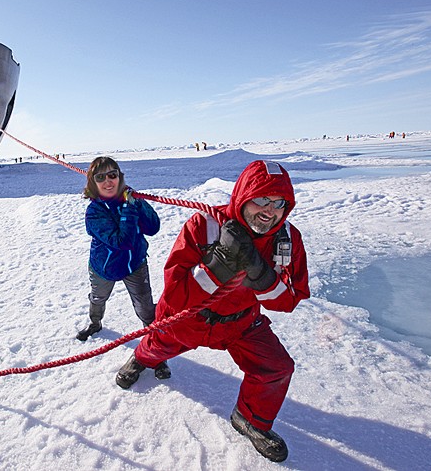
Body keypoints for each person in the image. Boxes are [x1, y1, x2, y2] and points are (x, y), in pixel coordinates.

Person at [115, 160, 310, 463]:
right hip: (189, 320)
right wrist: (217, 266)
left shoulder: (286, 240)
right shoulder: (204, 226)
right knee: (157, 345)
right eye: (260, 198)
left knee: (276, 367)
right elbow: (177, 296)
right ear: (243, 195)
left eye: (278, 203)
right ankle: (140, 360)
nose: (269, 210)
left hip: (241, 322)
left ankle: (251, 419)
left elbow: (289, 300)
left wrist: (262, 277)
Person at [77, 158, 169, 374]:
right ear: (93, 183)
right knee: (98, 298)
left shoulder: (130, 199)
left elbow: (153, 227)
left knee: (146, 310)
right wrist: (129, 207)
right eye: (100, 177)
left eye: (112, 175)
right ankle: (95, 323)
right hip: (104, 268)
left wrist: (139, 204)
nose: (108, 181)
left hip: (135, 265)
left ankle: (157, 354)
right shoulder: (94, 212)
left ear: (120, 177)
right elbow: (121, 242)